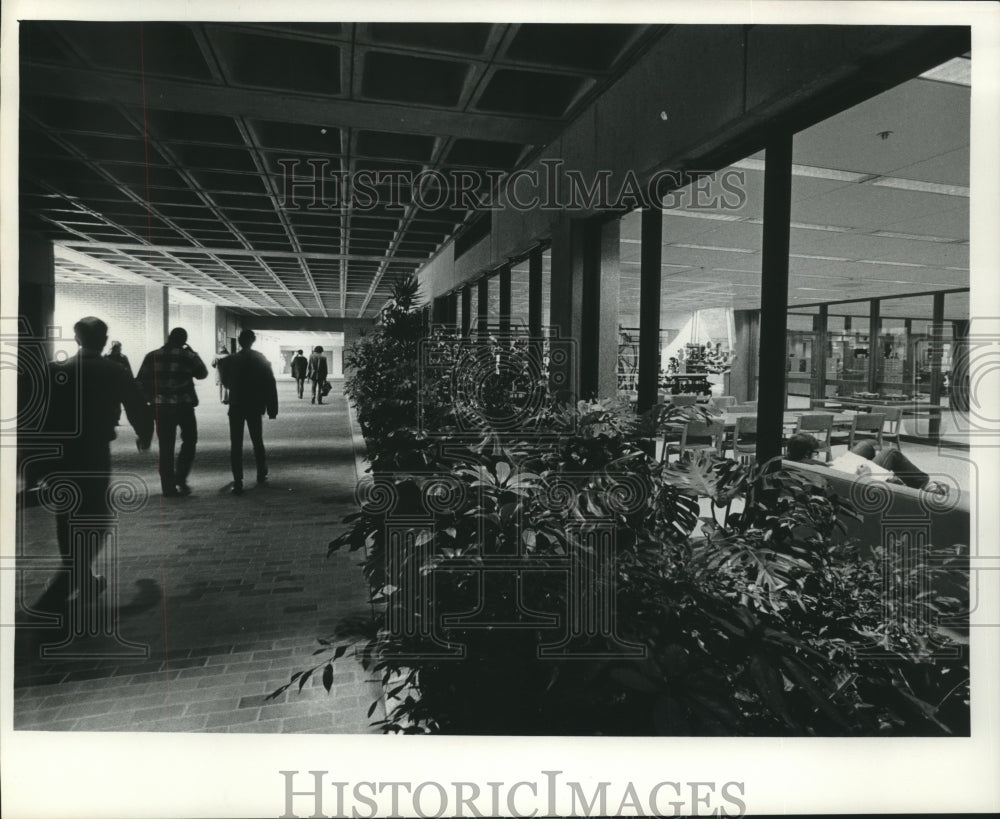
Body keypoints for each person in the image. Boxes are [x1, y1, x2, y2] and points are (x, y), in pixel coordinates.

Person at [36, 317, 153, 608]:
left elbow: (36, 411)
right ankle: (61, 589)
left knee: (67, 516)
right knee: (96, 517)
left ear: (76, 340)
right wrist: (144, 433)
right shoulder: (114, 370)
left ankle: (85, 580)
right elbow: (136, 404)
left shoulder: (55, 370)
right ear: (103, 340)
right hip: (93, 452)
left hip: (59, 453)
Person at [136, 327, 208, 497]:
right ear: (184, 340)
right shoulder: (188, 356)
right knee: (190, 440)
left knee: (166, 446)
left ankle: (167, 487)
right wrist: (193, 353)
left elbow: (140, 380)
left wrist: (150, 397)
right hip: (184, 405)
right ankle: (180, 477)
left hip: (160, 406)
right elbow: (202, 374)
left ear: (169, 338)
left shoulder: (152, 356)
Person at [218, 329, 278, 495]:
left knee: (235, 443)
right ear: (253, 341)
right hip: (255, 405)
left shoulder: (230, 360)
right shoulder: (260, 359)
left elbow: (225, 382)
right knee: (257, 440)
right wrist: (272, 408)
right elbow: (270, 384)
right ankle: (261, 472)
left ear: (239, 341)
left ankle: (238, 480)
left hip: (236, 405)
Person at [786, 433, 932, 490]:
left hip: (835, 469)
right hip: (854, 476)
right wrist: (865, 475)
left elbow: (822, 468)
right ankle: (922, 482)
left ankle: (870, 456)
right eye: (815, 453)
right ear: (807, 453)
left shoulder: (790, 461)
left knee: (865, 446)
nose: (816, 455)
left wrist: (829, 465)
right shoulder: (815, 469)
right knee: (891, 452)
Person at [103, 340, 133, 425]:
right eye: (119, 347)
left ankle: (115, 418)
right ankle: (114, 418)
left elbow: (128, 369)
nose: (120, 349)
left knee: (116, 401)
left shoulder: (122, 357)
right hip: (111, 382)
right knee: (113, 401)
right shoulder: (107, 356)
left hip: (118, 382)